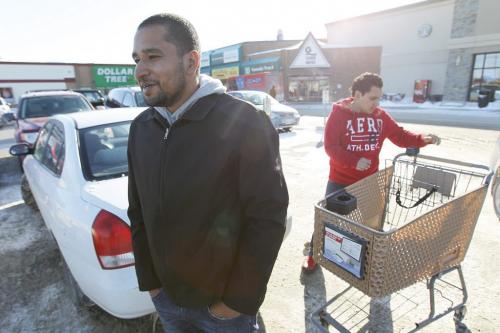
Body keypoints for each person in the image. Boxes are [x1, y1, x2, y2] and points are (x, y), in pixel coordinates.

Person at [128, 14, 289, 332]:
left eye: (153, 57)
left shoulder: (245, 122)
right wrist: (152, 283)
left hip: (223, 313)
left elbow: (268, 219)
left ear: (192, 62)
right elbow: (138, 212)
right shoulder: (141, 128)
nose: (140, 71)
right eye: (136, 60)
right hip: (167, 302)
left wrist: (235, 304)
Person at [302, 72, 440, 272]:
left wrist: (422, 139)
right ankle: (314, 255)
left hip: (369, 182)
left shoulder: (380, 117)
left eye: (379, 98)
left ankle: (368, 259)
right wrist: (353, 161)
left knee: (372, 223)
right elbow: (331, 147)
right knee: (327, 220)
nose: (376, 103)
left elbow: (400, 135)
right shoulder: (338, 115)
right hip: (340, 181)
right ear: (358, 94)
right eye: (372, 98)